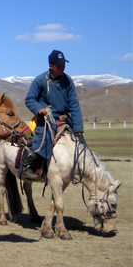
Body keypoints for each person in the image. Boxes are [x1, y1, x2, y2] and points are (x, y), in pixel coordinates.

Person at [23, 50, 84, 180]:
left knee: (81, 143)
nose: (63, 67)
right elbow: (29, 99)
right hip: (47, 119)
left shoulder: (68, 81)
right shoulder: (40, 80)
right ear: (51, 66)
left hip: (64, 119)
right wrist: (40, 109)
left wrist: (79, 128)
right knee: (45, 139)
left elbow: (74, 104)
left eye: (63, 64)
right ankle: (27, 166)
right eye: (59, 65)